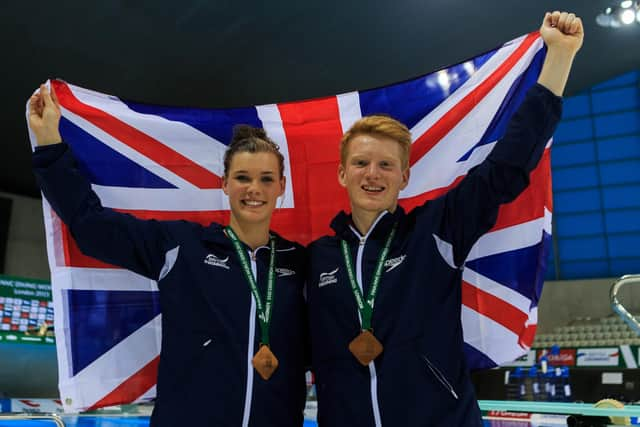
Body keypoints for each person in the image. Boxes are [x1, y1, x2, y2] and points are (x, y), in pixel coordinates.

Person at [306, 11, 583, 427]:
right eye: (361, 163)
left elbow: (505, 169)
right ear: (343, 174)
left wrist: (559, 58)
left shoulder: (436, 228)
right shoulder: (316, 258)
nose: (373, 174)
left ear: (404, 176)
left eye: (386, 164)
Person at [28, 86, 308, 427]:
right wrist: (49, 145)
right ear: (224, 184)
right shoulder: (182, 246)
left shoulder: (300, 263)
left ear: (281, 186)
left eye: (266, 179)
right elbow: (93, 228)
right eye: (242, 178)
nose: (254, 189)